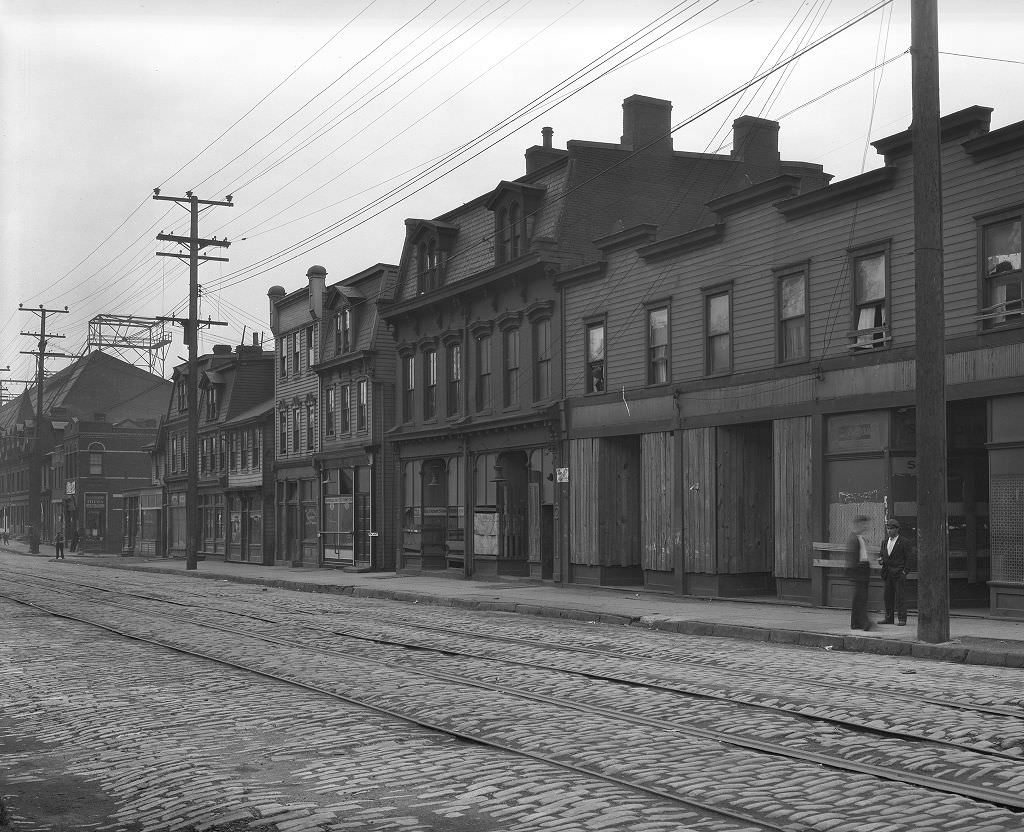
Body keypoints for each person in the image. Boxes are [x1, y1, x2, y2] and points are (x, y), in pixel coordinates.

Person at [879, 519, 913, 625]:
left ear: (897, 529)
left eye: (891, 529)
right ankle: (889, 618)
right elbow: (882, 555)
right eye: (888, 529)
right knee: (887, 597)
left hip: (899, 574)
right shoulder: (884, 542)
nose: (889, 531)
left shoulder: (904, 542)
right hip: (887, 573)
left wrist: (904, 572)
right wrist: (881, 560)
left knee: (900, 597)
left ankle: (902, 619)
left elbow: (909, 558)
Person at [847, 514, 876, 631]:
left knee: (859, 598)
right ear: (858, 524)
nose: (866, 526)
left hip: (864, 569)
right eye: (864, 524)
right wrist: (854, 572)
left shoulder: (860, 537)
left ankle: (856, 623)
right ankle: (864, 623)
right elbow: (852, 558)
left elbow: (863, 554)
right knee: (861, 598)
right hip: (859, 571)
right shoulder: (854, 538)